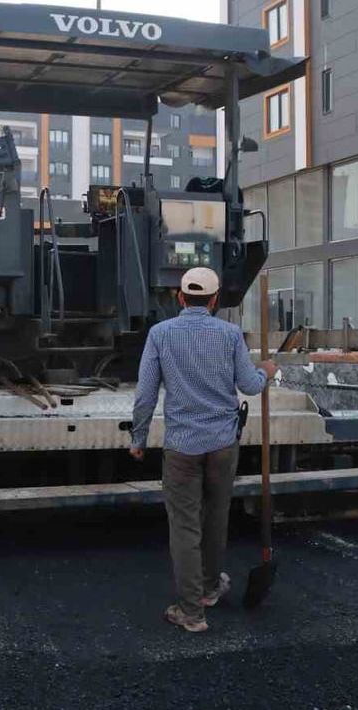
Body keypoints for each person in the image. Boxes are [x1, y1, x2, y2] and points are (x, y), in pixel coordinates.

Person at [130, 267, 277, 633]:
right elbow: (249, 385)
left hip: (182, 447)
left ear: (180, 297)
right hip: (223, 445)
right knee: (215, 518)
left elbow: (146, 392)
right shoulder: (229, 335)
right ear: (214, 301)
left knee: (184, 527)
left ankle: (192, 611)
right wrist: (266, 372)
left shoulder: (161, 334)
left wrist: (139, 438)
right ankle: (210, 588)